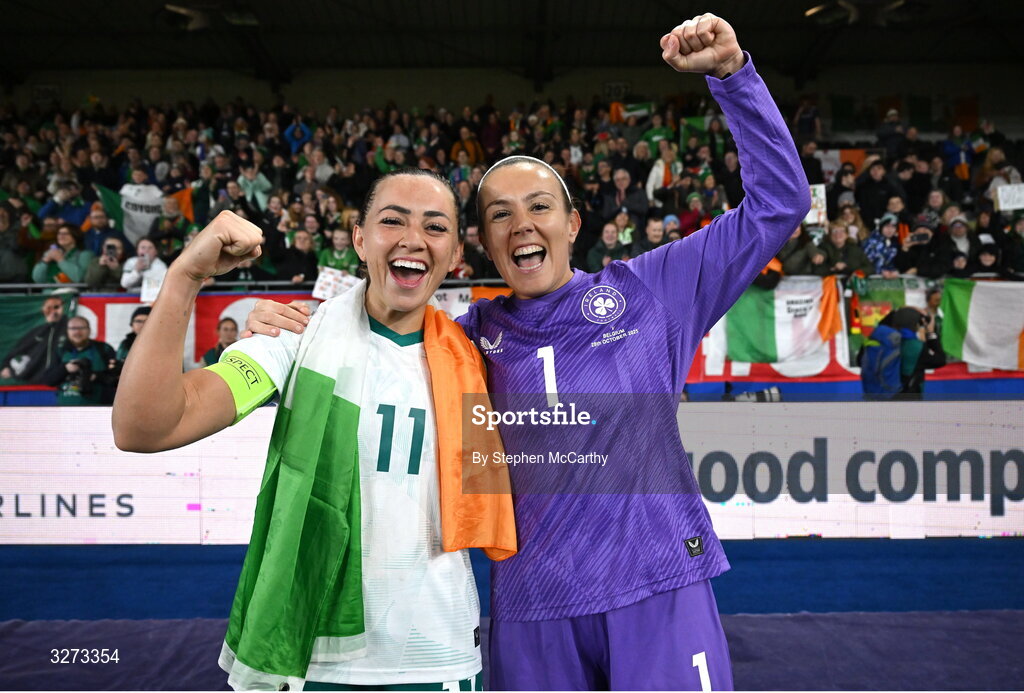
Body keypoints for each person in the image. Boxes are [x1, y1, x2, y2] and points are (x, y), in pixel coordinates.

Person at [247, 14, 810, 691]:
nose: (522, 225)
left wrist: (733, 77)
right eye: (499, 214)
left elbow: (780, 203)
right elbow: (372, 327)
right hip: (533, 608)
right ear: (483, 242)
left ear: (572, 224)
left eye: (539, 206)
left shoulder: (653, 290)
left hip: (658, 587)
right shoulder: (462, 336)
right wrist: (281, 324)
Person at [112, 172, 516, 691]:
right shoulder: (295, 338)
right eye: (392, 220)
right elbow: (146, 425)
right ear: (359, 238)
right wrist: (185, 277)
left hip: (439, 659)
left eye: (434, 226)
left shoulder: (480, 357)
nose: (413, 238)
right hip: (308, 662)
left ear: (456, 252)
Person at [0, 295, 68, 384]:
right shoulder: (36, 332)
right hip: (34, 384)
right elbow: (16, 351)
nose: (53, 311)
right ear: (42, 309)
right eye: (49, 308)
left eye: (57, 307)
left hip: (62, 383)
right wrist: (7, 367)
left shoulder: (70, 328)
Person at [57, 315, 117, 405]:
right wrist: (65, 369)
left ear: (89, 330)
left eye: (82, 328)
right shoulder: (61, 350)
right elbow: (48, 379)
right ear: (67, 331)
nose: (77, 332)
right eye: (73, 328)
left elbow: (116, 378)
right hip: (64, 409)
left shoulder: (103, 348)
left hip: (98, 408)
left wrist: (95, 376)